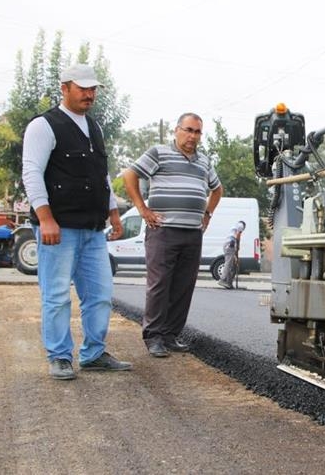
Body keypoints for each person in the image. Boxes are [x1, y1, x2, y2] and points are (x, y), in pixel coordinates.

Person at [22, 63, 132, 380]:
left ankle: (94, 353)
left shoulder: (94, 127)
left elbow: (102, 176)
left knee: (99, 295)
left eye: (93, 88)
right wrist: (45, 219)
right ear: (65, 88)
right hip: (59, 227)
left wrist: (113, 213)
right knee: (56, 295)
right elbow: (31, 173)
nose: (89, 94)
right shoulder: (44, 126)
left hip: (93, 229)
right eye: (82, 88)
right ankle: (59, 356)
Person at [122, 112, 223, 358]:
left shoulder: (204, 162)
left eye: (197, 132)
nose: (192, 136)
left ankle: (170, 335)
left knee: (183, 286)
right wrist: (143, 209)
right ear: (176, 130)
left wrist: (207, 214)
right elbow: (129, 175)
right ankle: (154, 336)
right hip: (163, 232)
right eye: (188, 130)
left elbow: (217, 189)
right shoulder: (159, 153)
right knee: (159, 284)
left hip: (192, 233)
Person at [217, 221, 245, 290]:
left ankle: (229, 283)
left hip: (228, 245)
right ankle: (223, 279)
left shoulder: (234, 228)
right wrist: (238, 245)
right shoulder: (241, 225)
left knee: (232, 265)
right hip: (230, 245)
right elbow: (238, 236)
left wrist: (236, 256)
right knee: (228, 264)